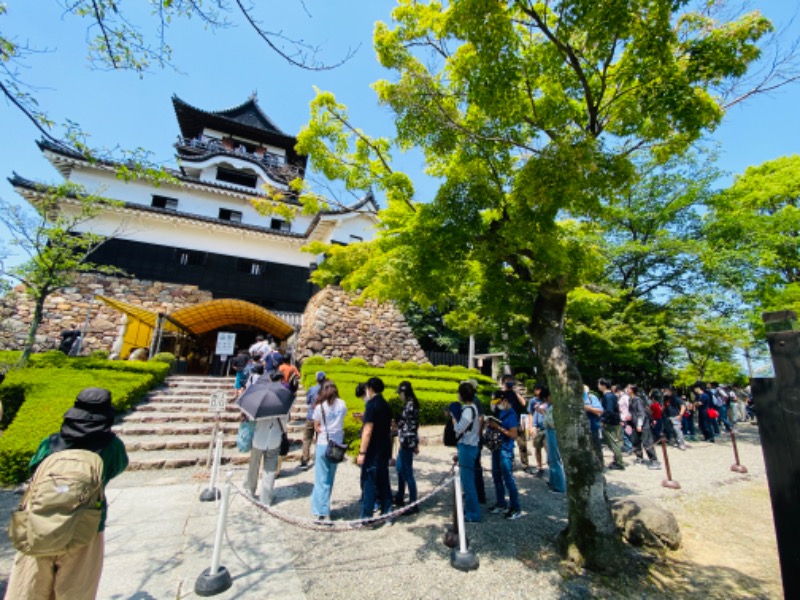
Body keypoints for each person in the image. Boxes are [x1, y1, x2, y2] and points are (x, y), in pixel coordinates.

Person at [6, 388, 129, 600]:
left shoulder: (51, 443)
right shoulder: (112, 447)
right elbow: (117, 468)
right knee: (76, 590)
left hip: (39, 524)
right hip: (86, 526)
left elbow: (33, 468)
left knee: (28, 589)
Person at [245, 384, 290, 505]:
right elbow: (285, 423)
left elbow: (250, 419)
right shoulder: (283, 405)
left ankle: (250, 490)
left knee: (254, 464)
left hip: (259, 437)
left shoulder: (259, 403)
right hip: (274, 439)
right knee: (270, 469)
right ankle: (266, 498)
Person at [311, 380, 348, 522]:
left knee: (321, 479)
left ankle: (322, 512)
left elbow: (316, 426)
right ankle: (319, 508)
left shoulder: (320, 407)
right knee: (329, 479)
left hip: (323, 444)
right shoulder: (342, 404)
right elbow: (342, 418)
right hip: (337, 445)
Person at [357, 377, 394, 520]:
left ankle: (366, 517)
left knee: (369, 482)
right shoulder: (386, 404)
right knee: (384, 481)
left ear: (370, 388)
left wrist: (362, 452)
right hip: (384, 446)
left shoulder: (371, 405)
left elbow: (368, 430)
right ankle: (387, 512)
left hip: (373, 449)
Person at [487, 391, 523, 519]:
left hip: (506, 450)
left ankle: (515, 507)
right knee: (496, 476)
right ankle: (501, 502)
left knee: (508, 478)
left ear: (505, 401)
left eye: (499, 403)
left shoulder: (512, 415)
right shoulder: (501, 413)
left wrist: (498, 427)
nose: (497, 406)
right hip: (496, 448)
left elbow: (513, 435)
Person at [450, 382, 482, 522]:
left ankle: (473, 513)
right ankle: (470, 509)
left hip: (467, 446)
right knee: (468, 480)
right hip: (472, 445)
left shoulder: (468, 410)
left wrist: (453, 420)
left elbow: (459, 428)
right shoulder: (472, 407)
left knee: (468, 482)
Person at [394, 381, 420, 511]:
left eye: (400, 393)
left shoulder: (410, 406)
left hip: (406, 441)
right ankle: (400, 495)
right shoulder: (412, 404)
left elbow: (409, 426)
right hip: (408, 441)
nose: (399, 396)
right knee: (399, 468)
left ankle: (413, 502)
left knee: (407, 472)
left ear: (404, 392)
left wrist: (397, 425)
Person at [627, 384, 661, 469]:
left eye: (628, 388)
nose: (626, 390)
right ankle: (639, 457)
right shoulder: (631, 400)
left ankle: (654, 460)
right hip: (634, 424)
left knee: (647, 443)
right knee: (636, 441)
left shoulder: (638, 400)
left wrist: (639, 424)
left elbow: (641, 413)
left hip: (643, 425)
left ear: (632, 390)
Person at [501, 375, 530, 472]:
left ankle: (525, 465)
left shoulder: (515, 393)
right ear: (503, 383)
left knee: (522, 444)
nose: (509, 383)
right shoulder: (502, 394)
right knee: (509, 445)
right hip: (507, 424)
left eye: (510, 381)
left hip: (517, 422)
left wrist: (516, 393)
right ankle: (511, 464)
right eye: (507, 381)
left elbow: (523, 403)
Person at [542, 386, 566, 493]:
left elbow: (552, 423)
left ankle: (560, 485)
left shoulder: (556, 407)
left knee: (555, 458)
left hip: (553, 432)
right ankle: (553, 481)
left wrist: (544, 413)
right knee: (551, 458)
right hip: (549, 432)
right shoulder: (551, 407)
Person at [598, 378, 625, 470]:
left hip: (611, 422)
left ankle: (619, 462)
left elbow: (609, 410)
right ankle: (617, 460)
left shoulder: (608, 396)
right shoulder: (612, 396)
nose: (598, 386)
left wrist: (604, 420)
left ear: (603, 385)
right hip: (615, 421)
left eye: (599, 384)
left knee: (613, 442)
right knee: (615, 441)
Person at [301, 371, 326, 470]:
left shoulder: (312, 389)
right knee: (320, 439)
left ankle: (305, 459)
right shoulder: (327, 390)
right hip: (322, 418)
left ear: (316, 379)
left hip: (311, 416)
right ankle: (317, 458)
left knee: (307, 438)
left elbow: (307, 401)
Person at [583, 384, 604, 463]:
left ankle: (600, 464)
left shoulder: (592, 397)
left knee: (596, 446)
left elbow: (600, 411)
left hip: (593, 426)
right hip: (580, 428)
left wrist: (589, 408)